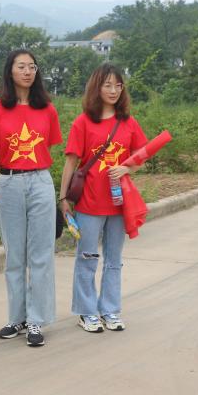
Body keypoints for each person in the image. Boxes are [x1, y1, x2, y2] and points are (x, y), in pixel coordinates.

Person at [0, 50, 62, 347]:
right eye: (21, 66)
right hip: (10, 183)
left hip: (40, 181)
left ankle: (36, 319)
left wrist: (30, 171)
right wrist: (9, 172)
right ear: (10, 71)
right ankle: (16, 318)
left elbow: (47, 149)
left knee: (41, 254)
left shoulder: (47, 110)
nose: (27, 71)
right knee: (14, 254)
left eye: (32, 67)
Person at [58, 64, 147, 333]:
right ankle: (87, 312)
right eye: (107, 85)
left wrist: (127, 169)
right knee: (87, 258)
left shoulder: (129, 123)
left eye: (118, 85)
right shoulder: (83, 122)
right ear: (96, 88)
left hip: (119, 205)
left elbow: (141, 157)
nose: (113, 91)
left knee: (113, 260)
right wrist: (63, 198)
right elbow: (71, 162)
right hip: (89, 204)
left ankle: (110, 310)